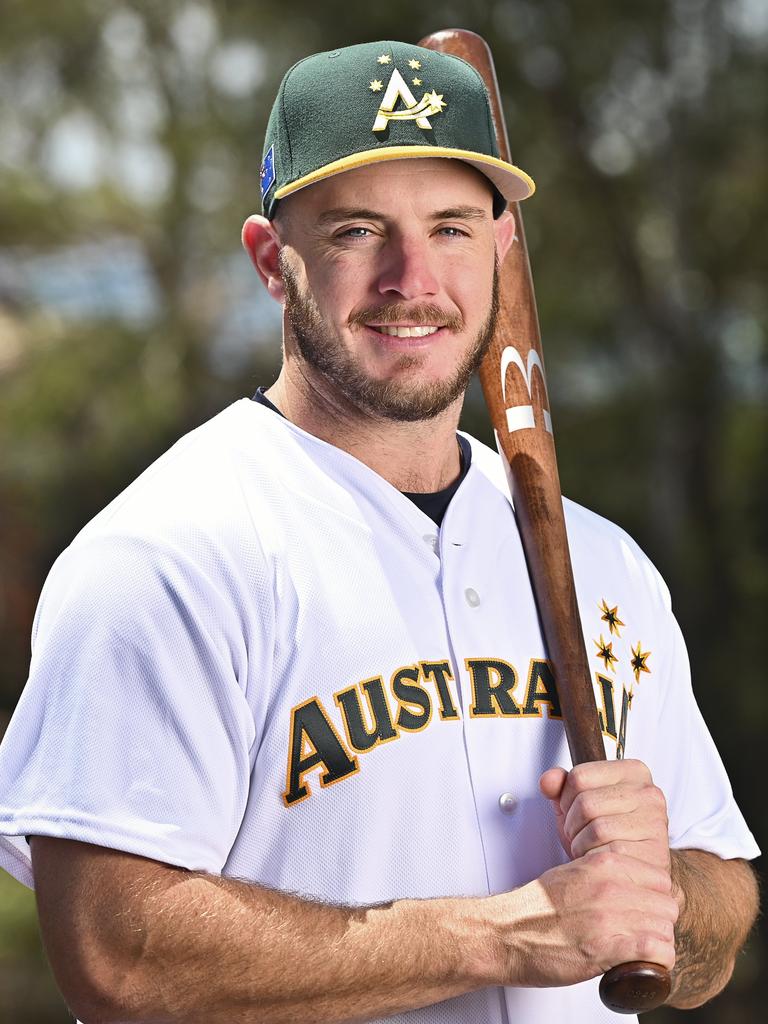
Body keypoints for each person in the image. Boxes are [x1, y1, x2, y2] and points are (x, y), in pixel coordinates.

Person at [0, 39, 759, 1024]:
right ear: (273, 264)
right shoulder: (165, 555)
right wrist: (510, 932)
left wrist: (665, 895)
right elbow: (118, 955)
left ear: (501, 249)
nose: (414, 276)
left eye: (451, 226)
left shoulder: (602, 562)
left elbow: (724, 902)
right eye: (359, 231)